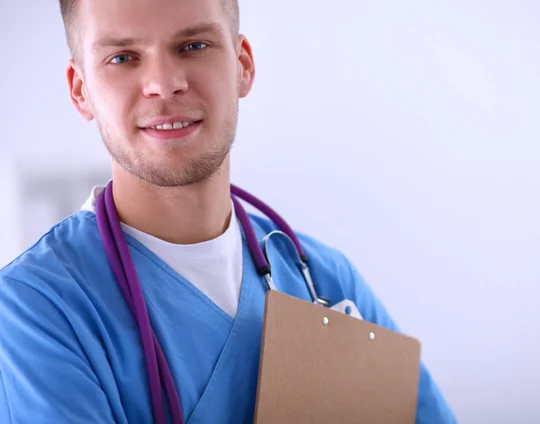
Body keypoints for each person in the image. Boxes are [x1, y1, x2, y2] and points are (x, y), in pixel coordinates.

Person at [0, 0, 457, 422]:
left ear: (242, 65)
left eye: (193, 45)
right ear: (80, 91)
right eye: (122, 57)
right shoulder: (37, 309)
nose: (164, 84)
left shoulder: (327, 281)